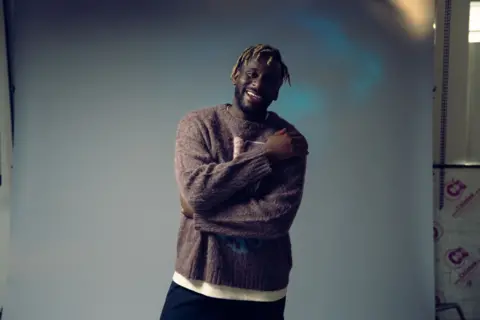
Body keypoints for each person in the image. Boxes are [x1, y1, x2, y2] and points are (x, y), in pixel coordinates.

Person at [159, 44, 309, 320]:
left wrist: (201, 213)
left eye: (269, 79)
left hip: (262, 293)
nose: (258, 83)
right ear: (235, 74)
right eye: (251, 74)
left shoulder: (290, 142)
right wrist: (266, 154)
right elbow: (196, 190)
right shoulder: (198, 125)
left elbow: (275, 218)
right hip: (197, 284)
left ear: (277, 91)